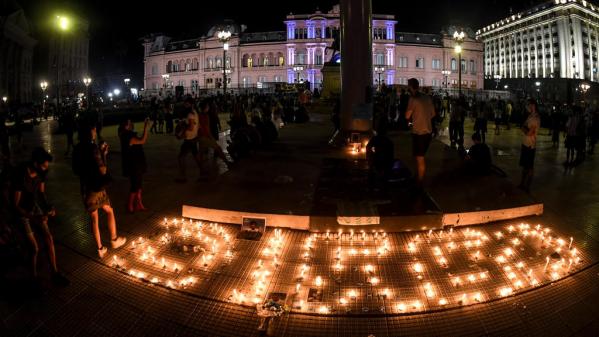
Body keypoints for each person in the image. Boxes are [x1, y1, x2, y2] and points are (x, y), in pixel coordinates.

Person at [12, 147, 69, 286]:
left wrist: (48, 207)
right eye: (43, 166)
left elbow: (41, 193)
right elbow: (15, 205)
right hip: (22, 212)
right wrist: (33, 218)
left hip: (33, 207)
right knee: (34, 248)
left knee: (49, 238)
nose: (45, 169)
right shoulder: (21, 174)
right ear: (35, 164)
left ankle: (54, 273)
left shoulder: (41, 173)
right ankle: (33, 278)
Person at [73, 124, 126, 257]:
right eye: (94, 129)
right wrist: (103, 154)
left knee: (94, 218)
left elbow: (75, 170)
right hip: (97, 187)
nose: (95, 131)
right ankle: (114, 239)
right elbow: (102, 169)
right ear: (89, 132)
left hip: (86, 187)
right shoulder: (93, 148)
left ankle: (100, 249)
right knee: (109, 210)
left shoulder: (77, 148)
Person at [405, 78, 436, 188]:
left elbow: (407, 116)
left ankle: (420, 182)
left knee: (420, 158)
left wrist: (416, 118)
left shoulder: (413, 99)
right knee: (419, 157)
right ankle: (417, 176)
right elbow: (433, 114)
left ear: (410, 87)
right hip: (428, 131)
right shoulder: (427, 97)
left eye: (408, 86)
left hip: (418, 132)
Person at [118, 119, 151, 213]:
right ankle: (130, 205)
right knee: (134, 185)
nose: (132, 124)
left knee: (139, 184)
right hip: (133, 164)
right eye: (129, 123)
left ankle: (139, 204)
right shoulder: (126, 136)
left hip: (138, 163)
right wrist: (146, 128)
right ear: (126, 126)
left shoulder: (129, 134)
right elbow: (142, 141)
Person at [176, 97, 202, 182]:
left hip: (189, 138)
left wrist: (182, 128)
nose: (184, 105)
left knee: (181, 157)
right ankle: (204, 172)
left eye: (186, 104)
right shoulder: (195, 113)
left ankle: (183, 177)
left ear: (190, 104)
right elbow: (197, 126)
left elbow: (190, 127)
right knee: (196, 156)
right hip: (194, 137)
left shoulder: (190, 114)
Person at [518, 99, 541, 192]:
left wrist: (524, 128)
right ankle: (522, 184)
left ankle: (527, 187)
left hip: (530, 145)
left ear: (533, 105)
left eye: (528, 105)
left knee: (530, 167)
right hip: (525, 143)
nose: (527, 107)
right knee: (524, 166)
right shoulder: (530, 116)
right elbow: (523, 127)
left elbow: (529, 133)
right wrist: (525, 128)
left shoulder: (535, 118)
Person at [366, 121, 395, 189]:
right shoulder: (389, 142)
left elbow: (368, 148)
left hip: (377, 162)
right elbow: (391, 156)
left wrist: (370, 159)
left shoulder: (375, 139)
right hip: (383, 163)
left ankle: (375, 182)